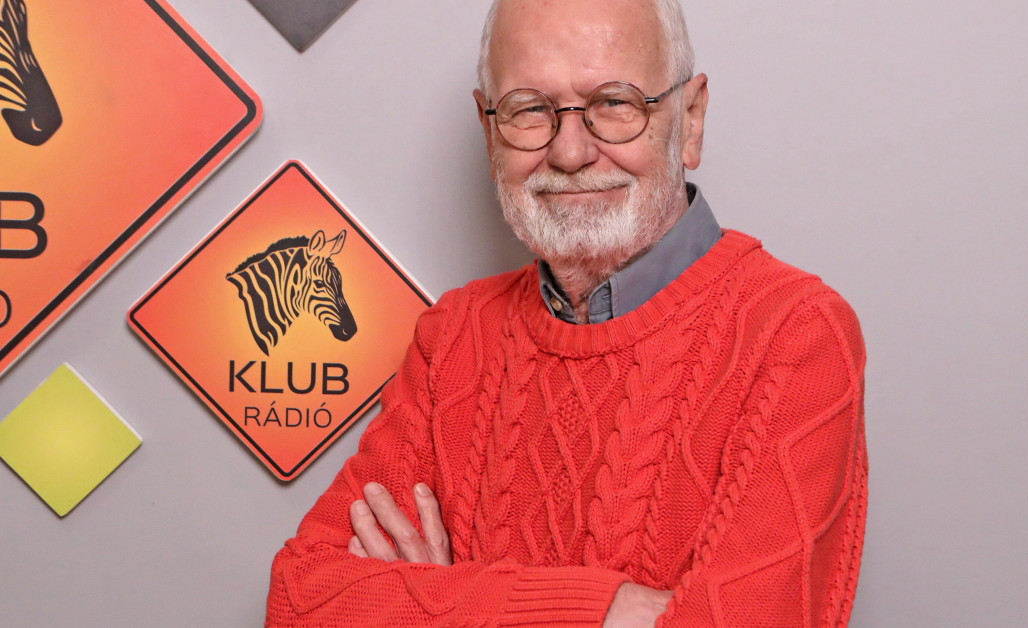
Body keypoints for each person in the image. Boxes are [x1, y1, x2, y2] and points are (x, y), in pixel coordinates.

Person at [266, 0, 867, 625]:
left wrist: (437, 604)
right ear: (489, 131)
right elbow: (298, 599)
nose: (571, 153)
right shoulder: (454, 334)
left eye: (615, 103)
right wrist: (609, 609)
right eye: (529, 109)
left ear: (690, 120)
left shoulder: (795, 334)